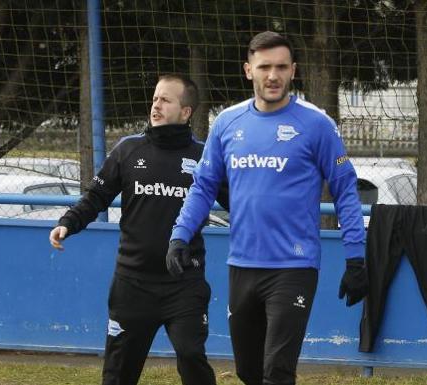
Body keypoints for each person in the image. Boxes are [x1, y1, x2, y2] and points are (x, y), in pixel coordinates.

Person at [166, 31, 368, 385]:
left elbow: (345, 190)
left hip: (294, 265)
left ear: (294, 70)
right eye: (264, 67)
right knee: (249, 371)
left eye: (280, 67)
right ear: (248, 70)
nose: (272, 75)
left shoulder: (316, 124)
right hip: (242, 265)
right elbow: (203, 186)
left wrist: (356, 257)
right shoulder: (227, 123)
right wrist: (180, 235)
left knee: (277, 370)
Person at [49, 74, 227, 385]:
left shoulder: (203, 157)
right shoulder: (128, 150)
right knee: (118, 373)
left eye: (166, 100)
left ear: (186, 112)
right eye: (155, 98)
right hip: (132, 284)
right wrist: (68, 222)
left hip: (184, 283)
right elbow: (96, 196)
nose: (156, 105)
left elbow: (239, 202)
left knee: (191, 356)